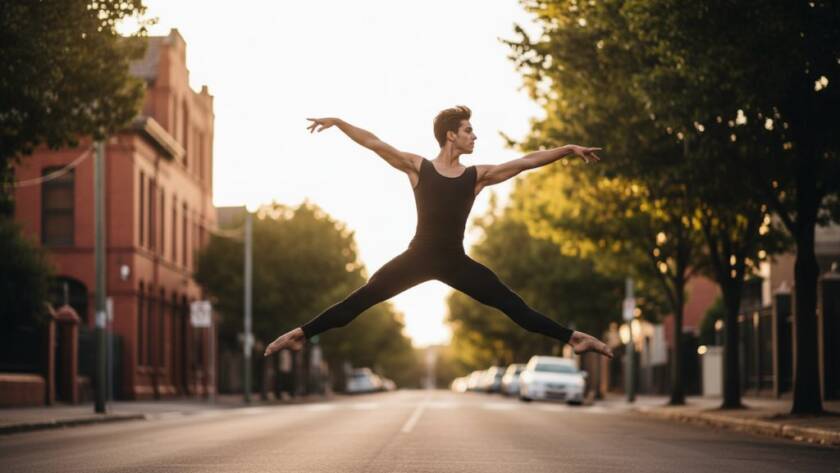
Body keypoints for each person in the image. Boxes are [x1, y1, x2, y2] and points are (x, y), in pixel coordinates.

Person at [264, 105, 613, 359]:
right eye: (468, 130)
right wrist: (339, 122)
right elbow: (375, 143)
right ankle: (300, 335)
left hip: (455, 262)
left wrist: (567, 150)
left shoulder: (476, 176)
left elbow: (525, 162)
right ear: (451, 135)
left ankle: (574, 339)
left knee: (513, 306)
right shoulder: (419, 168)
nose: (474, 136)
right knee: (362, 298)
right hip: (417, 258)